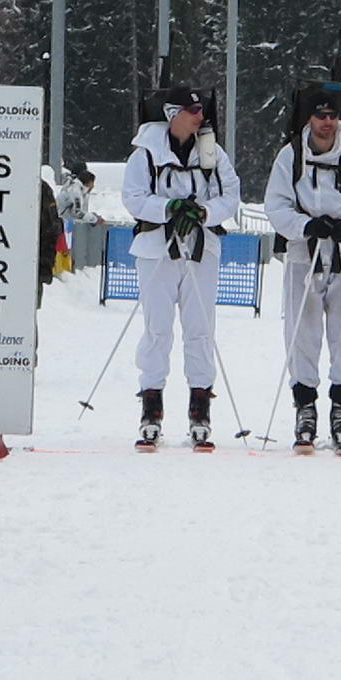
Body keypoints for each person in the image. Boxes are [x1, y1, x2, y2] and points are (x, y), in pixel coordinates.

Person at [119, 85, 242, 450]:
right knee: (157, 328)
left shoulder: (212, 153)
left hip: (201, 249)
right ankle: (151, 409)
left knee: (200, 329)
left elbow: (231, 194)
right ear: (174, 114)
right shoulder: (145, 154)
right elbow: (134, 198)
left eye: (201, 110)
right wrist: (169, 209)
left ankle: (200, 410)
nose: (200, 116)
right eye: (192, 110)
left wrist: (204, 212)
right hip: (157, 250)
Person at [263, 89, 341, 450]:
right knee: (302, 329)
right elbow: (276, 204)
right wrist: (304, 226)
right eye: (320, 116)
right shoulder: (291, 155)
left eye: (332, 116)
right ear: (308, 119)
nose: (327, 122)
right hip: (304, 252)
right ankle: (305, 405)